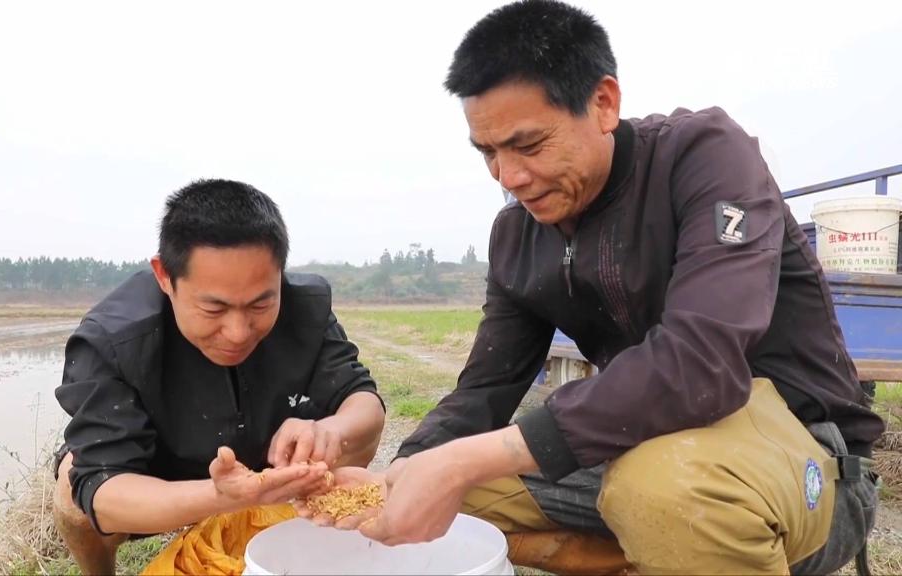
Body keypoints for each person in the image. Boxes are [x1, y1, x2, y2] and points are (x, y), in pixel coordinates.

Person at [306, 1, 884, 574]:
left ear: (604, 103)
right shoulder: (517, 235)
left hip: (805, 458)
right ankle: (628, 558)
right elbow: (485, 389)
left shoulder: (703, 156)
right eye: (489, 153)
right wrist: (402, 474)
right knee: (444, 489)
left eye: (530, 145)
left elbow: (700, 362)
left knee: (662, 488)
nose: (510, 177)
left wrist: (465, 461)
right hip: (638, 447)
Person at [52, 179, 385, 575]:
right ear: (164, 276)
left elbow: (363, 401)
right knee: (71, 493)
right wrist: (221, 496)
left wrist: (330, 430)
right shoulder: (112, 338)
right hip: (164, 470)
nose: (238, 332)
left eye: (260, 304)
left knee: (349, 435)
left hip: (272, 460)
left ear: (279, 273)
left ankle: (298, 545)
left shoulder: (306, 309)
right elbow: (103, 489)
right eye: (214, 309)